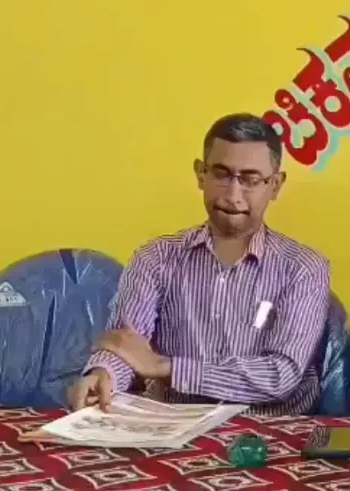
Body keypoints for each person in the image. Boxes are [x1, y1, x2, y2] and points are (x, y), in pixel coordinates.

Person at [68, 113, 331, 415]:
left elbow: (281, 376)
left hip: (268, 430)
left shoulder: (303, 268)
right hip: (169, 425)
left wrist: (167, 367)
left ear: (275, 185)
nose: (233, 195)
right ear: (200, 174)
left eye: (250, 180)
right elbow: (127, 345)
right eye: (221, 174)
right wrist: (103, 374)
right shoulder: (156, 258)